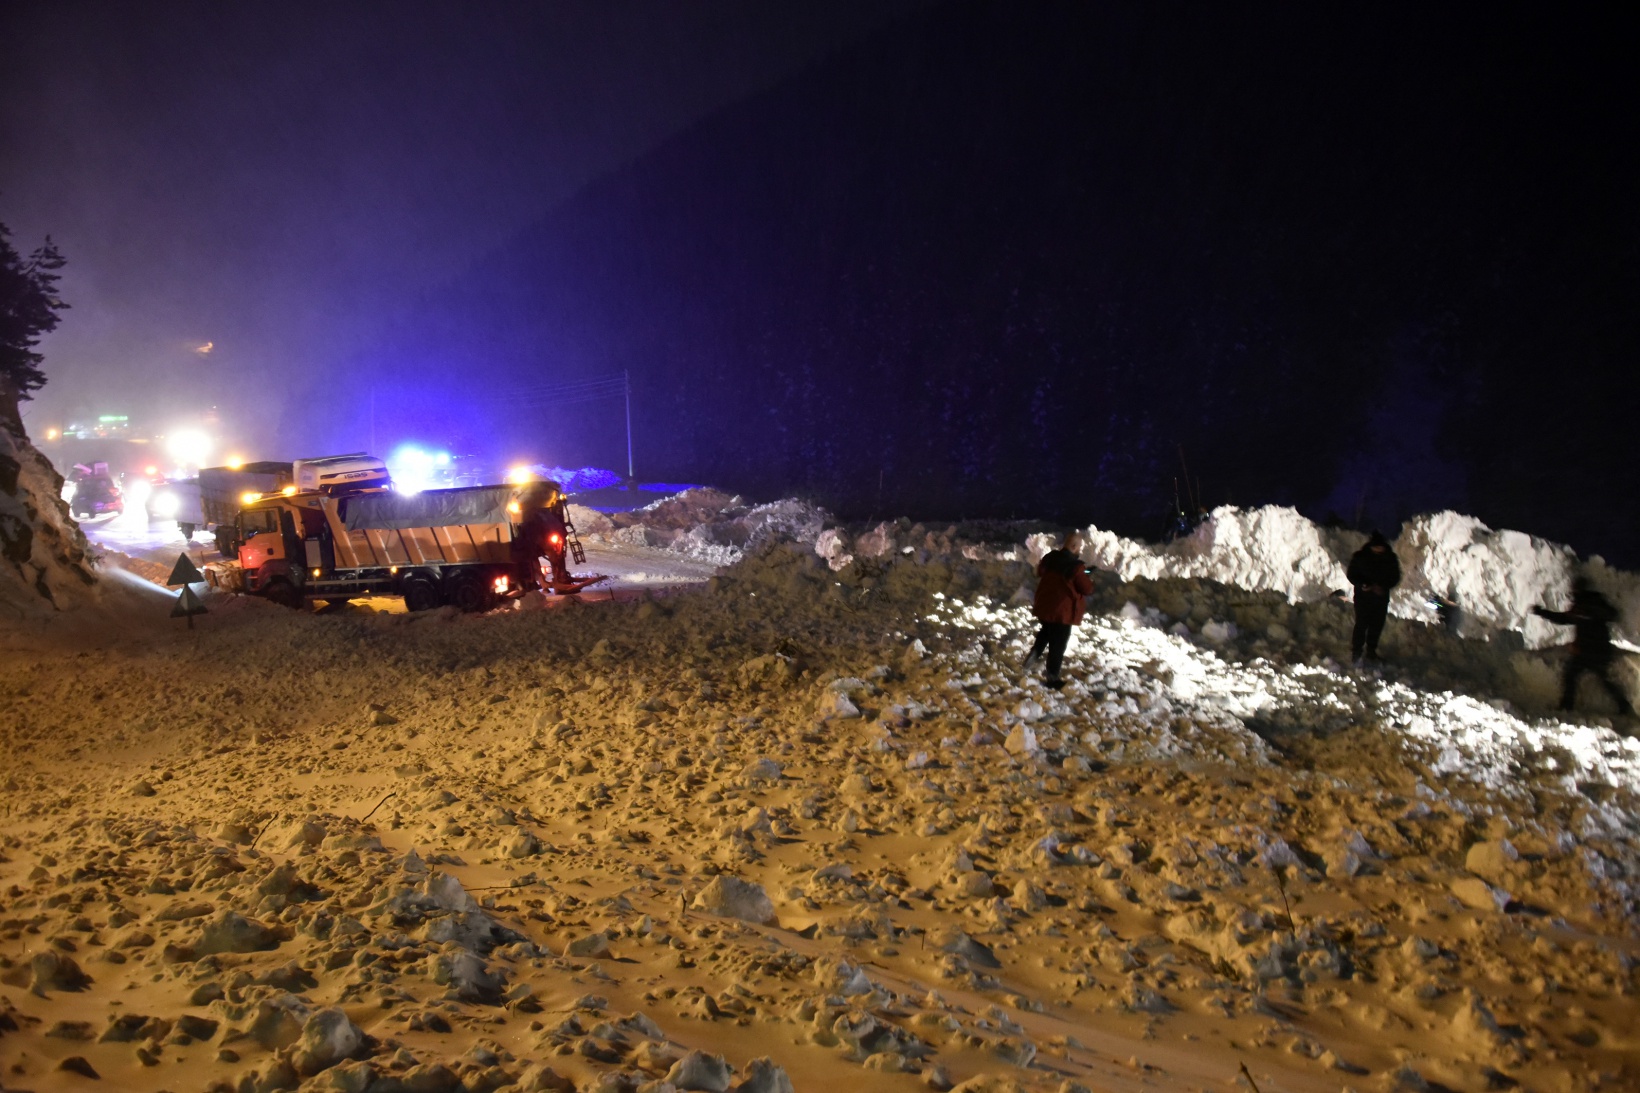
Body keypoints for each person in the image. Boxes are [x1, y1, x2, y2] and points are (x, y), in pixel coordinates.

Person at [1533, 578, 1635, 717]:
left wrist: (1592, 613)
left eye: (1575, 590)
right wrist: (1542, 612)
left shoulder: (1592, 602)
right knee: (1575, 676)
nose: (1573, 593)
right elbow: (1564, 619)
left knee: (1587, 677)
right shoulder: (1581, 606)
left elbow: (1612, 614)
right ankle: (1568, 706)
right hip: (1588, 651)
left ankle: (1622, 705)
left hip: (1595, 650)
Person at [1023, 531, 1095, 689]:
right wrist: (1088, 576)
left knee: (1046, 631)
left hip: (1045, 605)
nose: (1079, 550)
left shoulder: (1050, 558)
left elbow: (1040, 571)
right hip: (1063, 612)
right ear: (1074, 546)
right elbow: (1087, 588)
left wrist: (1084, 571)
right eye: (1079, 547)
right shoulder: (1075, 567)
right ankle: (1052, 678)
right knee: (1058, 644)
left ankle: (1035, 653)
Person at [1347, 530, 1401, 664]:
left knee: (1377, 625)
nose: (1378, 550)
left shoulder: (1390, 558)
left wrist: (1383, 587)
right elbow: (1352, 574)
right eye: (1376, 547)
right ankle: (1357, 652)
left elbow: (1395, 577)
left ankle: (1371, 651)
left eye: (1380, 547)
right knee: (1361, 624)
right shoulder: (1360, 557)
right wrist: (1363, 584)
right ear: (1371, 546)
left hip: (1380, 598)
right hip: (1363, 598)